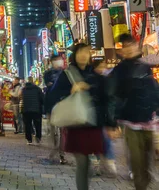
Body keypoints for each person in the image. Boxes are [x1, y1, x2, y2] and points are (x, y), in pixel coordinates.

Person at [111, 34, 159, 190]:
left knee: (147, 161)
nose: (130, 48)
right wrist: (111, 123)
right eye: (126, 46)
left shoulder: (145, 66)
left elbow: (154, 91)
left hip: (148, 120)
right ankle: (141, 185)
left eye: (132, 44)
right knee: (137, 161)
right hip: (130, 122)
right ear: (121, 51)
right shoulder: (119, 71)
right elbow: (112, 96)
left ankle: (144, 183)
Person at [49, 44, 116, 190]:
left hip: (93, 121)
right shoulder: (67, 74)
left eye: (86, 52)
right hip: (76, 122)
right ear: (75, 55)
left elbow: (106, 97)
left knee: (90, 163)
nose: (83, 55)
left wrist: (111, 123)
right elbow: (53, 95)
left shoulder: (95, 74)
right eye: (80, 52)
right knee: (82, 162)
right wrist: (70, 90)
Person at [44, 54, 66, 164]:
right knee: (53, 131)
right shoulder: (47, 74)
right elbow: (49, 87)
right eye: (56, 60)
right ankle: (54, 151)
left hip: (63, 106)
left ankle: (62, 154)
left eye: (59, 60)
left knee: (63, 131)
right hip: (51, 106)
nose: (58, 62)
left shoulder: (66, 73)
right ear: (52, 62)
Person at [21, 77, 44, 145]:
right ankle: (38, 138)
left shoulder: (24, 89)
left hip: (26, 110)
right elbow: (42, 99)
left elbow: (21, 99)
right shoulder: (38, 89)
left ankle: (29, 140)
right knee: (37, 125)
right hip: (36, 110)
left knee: (27, 125)